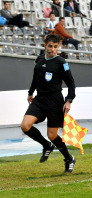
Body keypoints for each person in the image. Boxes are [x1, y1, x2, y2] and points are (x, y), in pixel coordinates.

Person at [20, 34, 77, 173]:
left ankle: (69, 159)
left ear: (59, 46)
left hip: (55, 102)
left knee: (52, 135)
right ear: (45, 44)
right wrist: (30, 92)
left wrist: (69, 100)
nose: (52, 49)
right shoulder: (39, 59)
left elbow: (71, 83)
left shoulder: (61, 62)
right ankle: (47, 145)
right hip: (39, 100)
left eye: (55, 47)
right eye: (50, 46)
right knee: (25, 125)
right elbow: (35, 77)